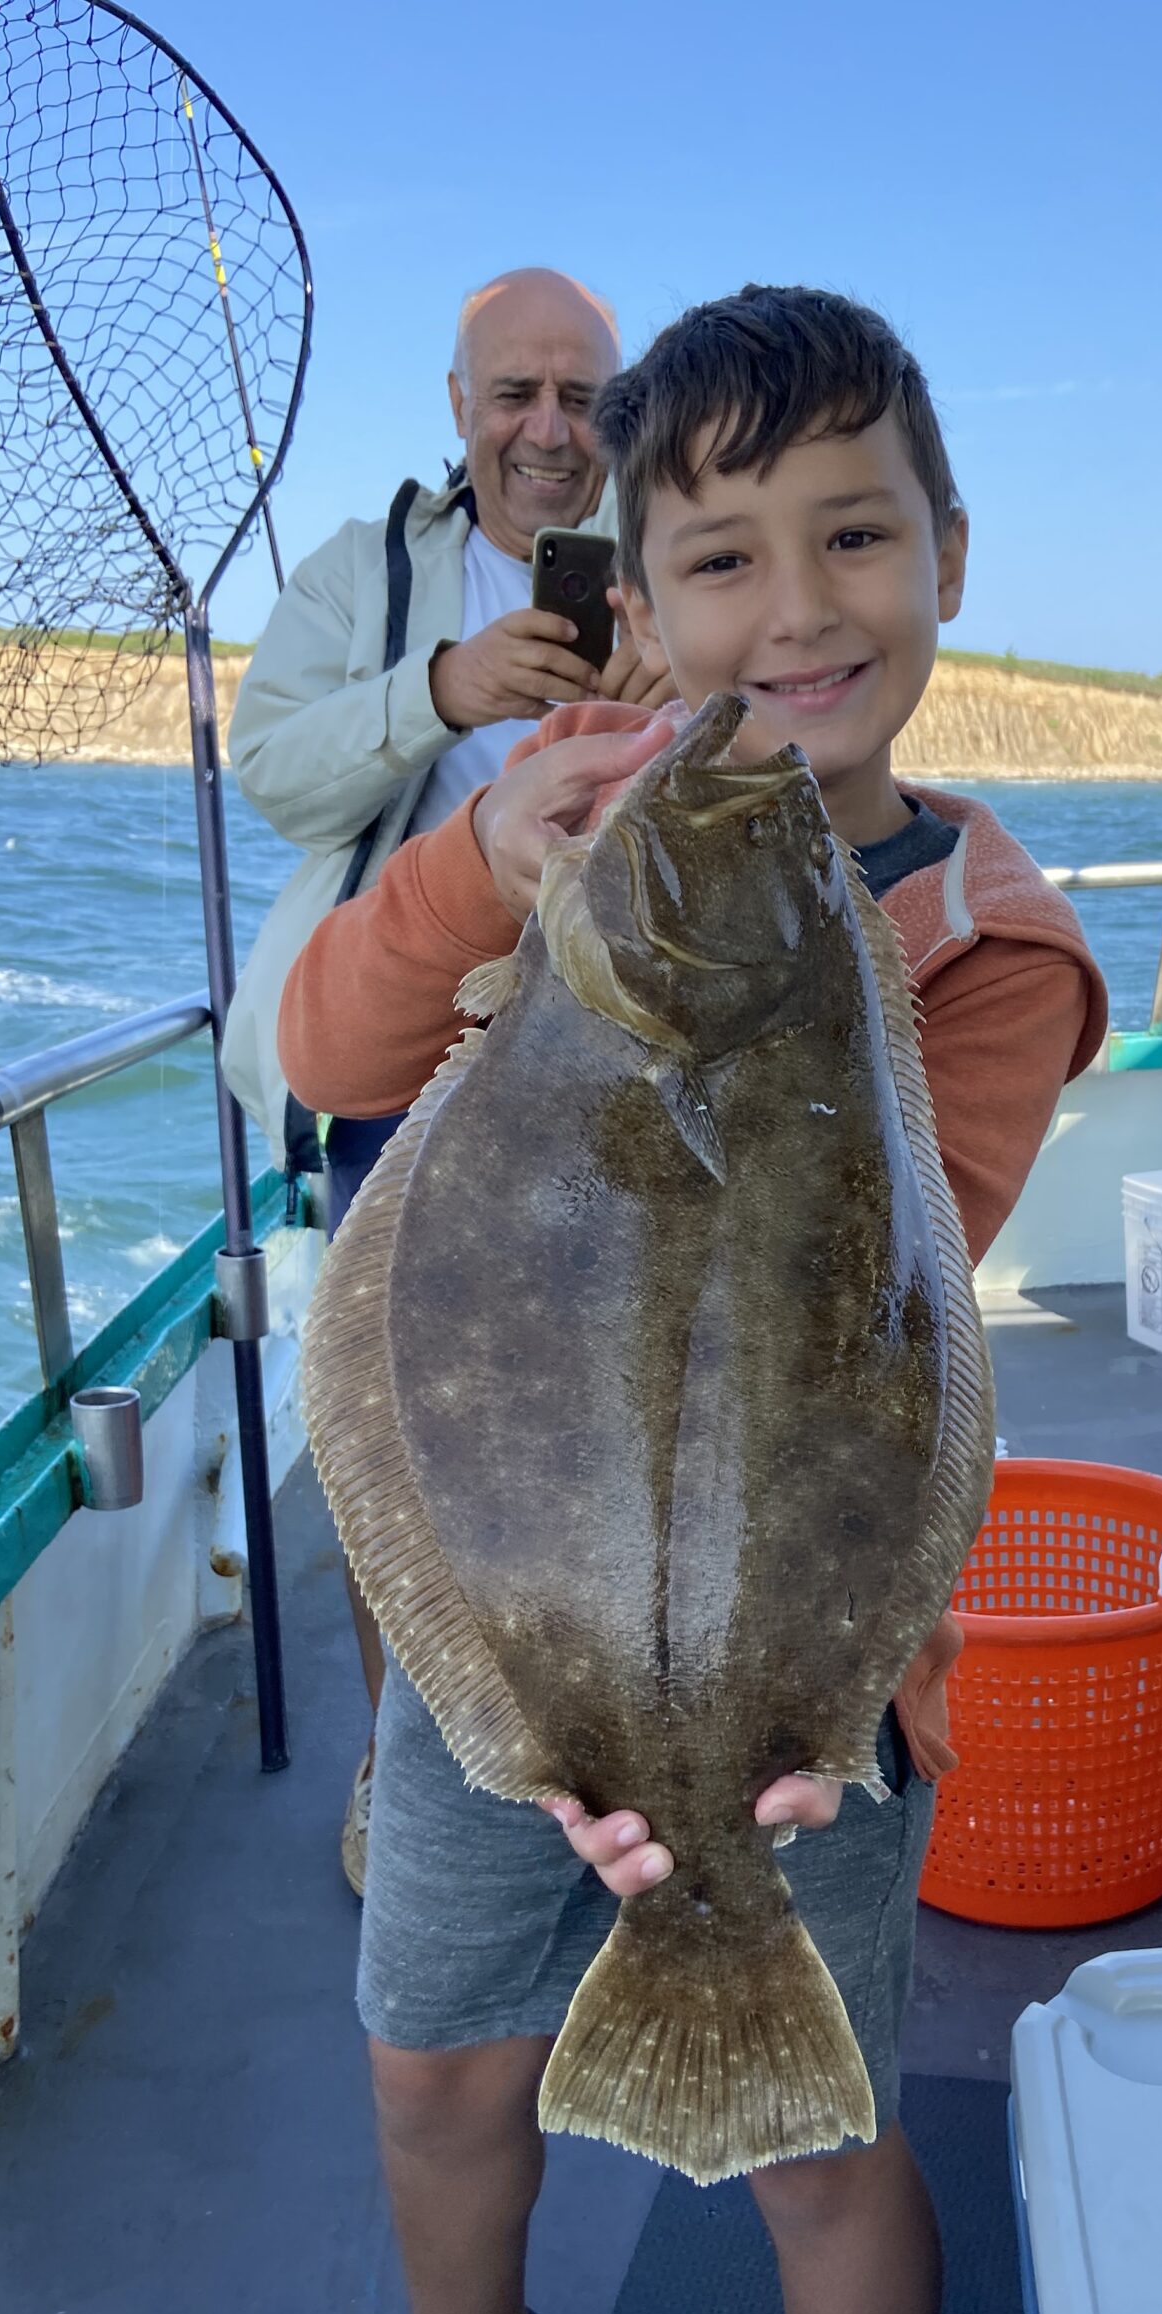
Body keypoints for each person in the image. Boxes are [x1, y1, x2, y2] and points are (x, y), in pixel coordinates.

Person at [279, 285, 1108, 2314]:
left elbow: (878, 1306)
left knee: (824, 2134)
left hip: (798, 1690)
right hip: (508, 1642)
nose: (802, 605)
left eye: (859, 535)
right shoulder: (563, 836)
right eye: (725, 557)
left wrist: (822, 1683)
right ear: (635, 606)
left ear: (948, 552)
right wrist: (475, 875)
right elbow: (333, 1063)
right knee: (437, 2050)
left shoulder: (990, 935)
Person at [221, 266, 673, 1891]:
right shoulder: (364, 574)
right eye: (516, 395)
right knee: (393, 1433)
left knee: (619, 1421)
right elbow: (266, 766)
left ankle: (613, 1752)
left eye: (585, 399)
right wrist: (442, 693)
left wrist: (663, 705)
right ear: (460, 408)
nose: (551, 431)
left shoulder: (674, 561)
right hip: (404, 1050)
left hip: (623, 1061)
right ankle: (409, 1759)